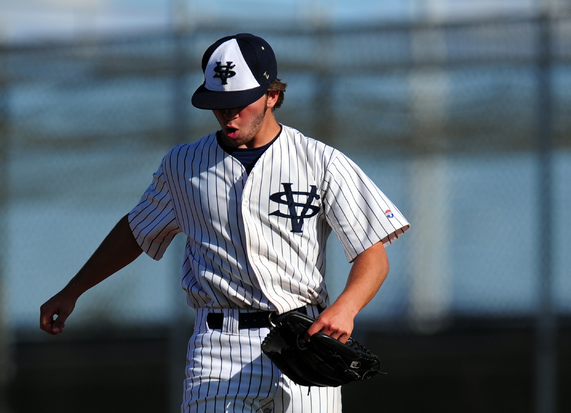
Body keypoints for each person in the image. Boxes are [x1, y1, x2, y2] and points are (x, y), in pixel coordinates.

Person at [40, 33, 409, 413]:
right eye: (219, 104)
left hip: (306, 340)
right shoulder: (183, 165)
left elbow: (373, 255)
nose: (229, 114)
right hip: (220, 347)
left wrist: (346, 307)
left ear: (272, 96)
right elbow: (136, 231)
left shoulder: (321, 161)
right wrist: (73, 291)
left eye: (239, 102)